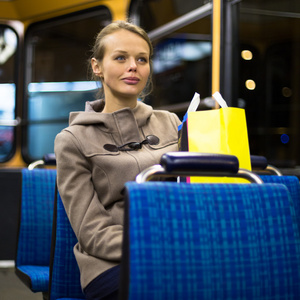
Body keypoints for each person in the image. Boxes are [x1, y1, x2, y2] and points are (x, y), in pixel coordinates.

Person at [54, 20, 181, 300]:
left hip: (179, 250)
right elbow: (92, 231)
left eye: (142, 59)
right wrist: (157, 245)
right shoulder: (73, 139)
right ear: (97, 66)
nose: (133, 66)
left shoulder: (171, 123)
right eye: (121, 57)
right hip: (111, 265)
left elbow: (192, 189)